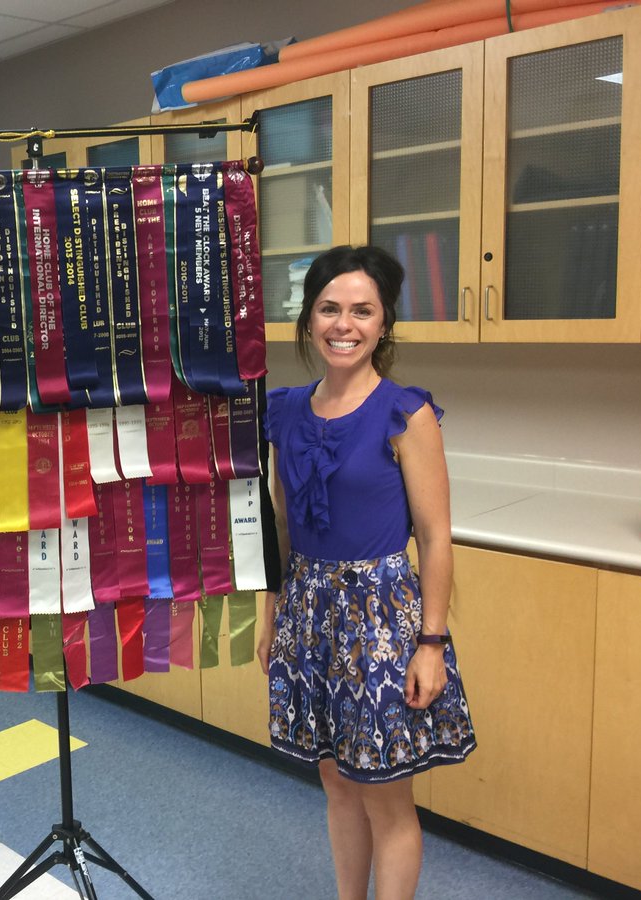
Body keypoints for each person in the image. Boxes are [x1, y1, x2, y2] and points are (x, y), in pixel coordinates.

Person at [256, 245, 476, 900]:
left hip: (380, 622)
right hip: (307, 612)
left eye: (361, 310)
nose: (343, 324)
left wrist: (430, 644)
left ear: (384, 324)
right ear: (308, 316)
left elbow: (436, 538)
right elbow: (281, 522)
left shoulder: (405, 413)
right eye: (329, 308)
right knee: (335, 781)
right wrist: (272, 617)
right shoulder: (286, 409)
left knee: (384, 794)